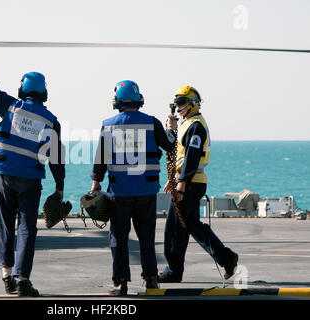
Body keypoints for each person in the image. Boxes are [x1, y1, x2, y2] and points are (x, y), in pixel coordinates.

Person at [0, 41, 65, 297]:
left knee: (5, 224)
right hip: (31, 180)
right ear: (44, 93)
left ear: (22, 90)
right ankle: (23, 279)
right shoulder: (51, 121)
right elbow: (57, 158)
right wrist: (59, 187)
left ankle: (6, 276)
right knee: (27, 228)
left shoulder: (9, 106)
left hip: (6, 177)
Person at [90, 80, 177, 295]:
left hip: (119, 192)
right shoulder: (151, 122)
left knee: (118, 238)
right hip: (146, 191)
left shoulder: (108, 124)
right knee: (146, 237)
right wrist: (172, 129)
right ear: (138, 100)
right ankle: (150, 279)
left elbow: (101, 158)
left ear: (117, 101)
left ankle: (121, 282)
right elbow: (170, 145)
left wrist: (95, 183)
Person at [159, 86, 238, 283]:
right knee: (193, 226)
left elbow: (192, 157)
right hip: (189, 181)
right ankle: (227, 258)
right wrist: (174, 179)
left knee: (175, 228)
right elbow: (179, 154)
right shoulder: (189, 124)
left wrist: (182, 183)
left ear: (193, 104)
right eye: (176, 104)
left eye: (182, 103)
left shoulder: (196, 126)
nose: (178, 108)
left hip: (190, 183)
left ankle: (173, 271)